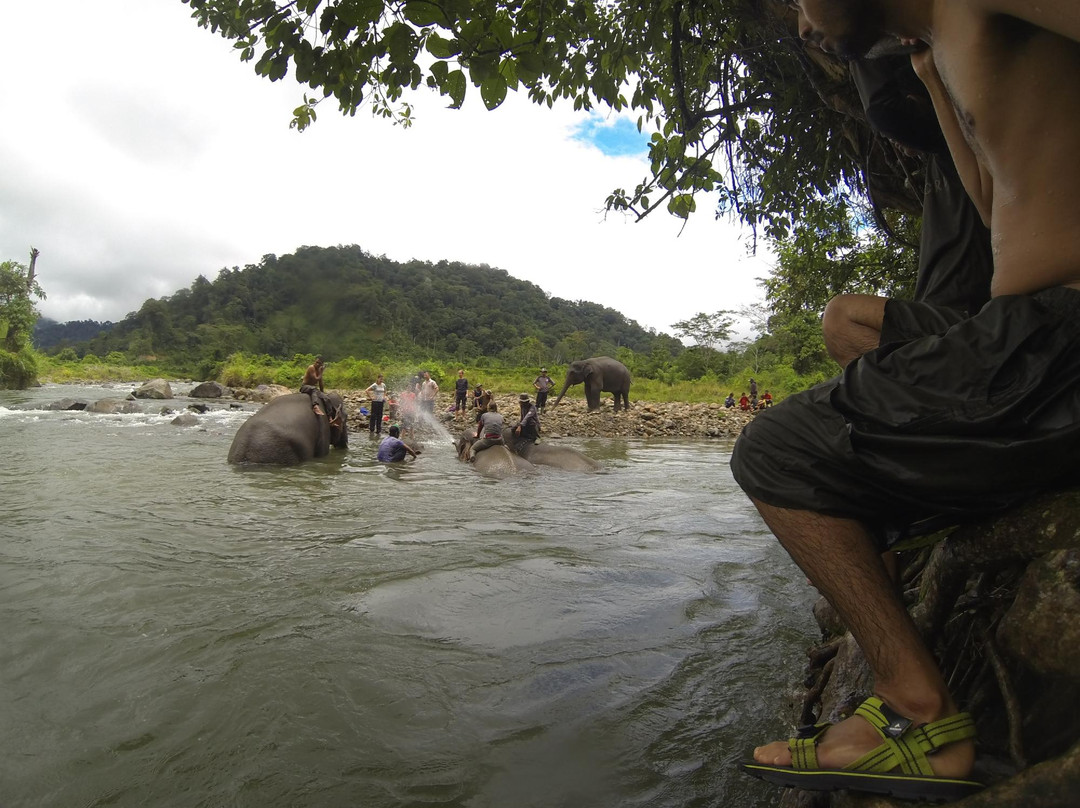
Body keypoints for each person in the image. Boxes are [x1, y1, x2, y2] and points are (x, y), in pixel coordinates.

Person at [734, 1, 1080, 801]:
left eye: (801, 1)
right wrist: (934, 80)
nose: (800, 24)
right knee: (843, 345)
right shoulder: (945, 45)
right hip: (1023, 328)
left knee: (776, 448)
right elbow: (998, 209)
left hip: (1054, 338)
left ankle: (915, 708)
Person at [820, 54, 994, 368]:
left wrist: (853, 46)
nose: (895, 144)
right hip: (941, 314)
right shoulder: (940, 165)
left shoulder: (958, 145)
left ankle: (922, 387)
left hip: (967, 316)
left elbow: (886, 112)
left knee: (840, 317)